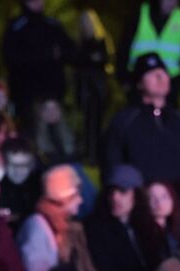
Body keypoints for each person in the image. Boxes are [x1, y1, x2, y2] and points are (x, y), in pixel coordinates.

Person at [102, 53, 180, 202]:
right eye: (151, 73)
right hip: (143, 204)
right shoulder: (125, 122)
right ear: (139, 83)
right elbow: (113, 166)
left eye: (164, 72)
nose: (160, 77)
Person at [84, 165, 162, 271]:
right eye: (111, 191)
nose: (115, 197)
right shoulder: (96, 227)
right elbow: (103, 268)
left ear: (136, 195)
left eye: (123, 191)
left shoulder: (147, 227)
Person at [1, 0, 76, 124]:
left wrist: (60, 55)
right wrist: (43, 56)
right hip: (25, 91)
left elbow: (70, 51)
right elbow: (10, 58)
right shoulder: (16, 27)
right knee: (31, 126)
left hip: (53, 90)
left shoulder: (53, 25)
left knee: (56, 127)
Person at [119, 0, 180, 103]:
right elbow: (124, 46)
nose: (172, 3)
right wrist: (124, 78)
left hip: (170, 82)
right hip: (139, 79)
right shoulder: (139, 12)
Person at [73, 10, 112, 164]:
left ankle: (95, 154)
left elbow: (103, 60)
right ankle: (88, 153)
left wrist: (90, 60)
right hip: (84, 88)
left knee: (97, 122)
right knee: (86, 122)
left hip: (98, 89)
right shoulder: (80, 43)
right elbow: (78, 61)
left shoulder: (101, 41)